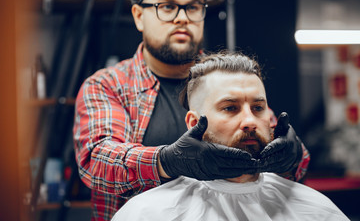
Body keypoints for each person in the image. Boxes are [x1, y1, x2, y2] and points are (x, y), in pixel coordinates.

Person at [73, 0, 310, 220]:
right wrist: (167, 162)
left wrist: (291, 155)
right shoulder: (108, 86)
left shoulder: (229, 78)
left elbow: (287, 157)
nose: (182, 18)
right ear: (138, 16)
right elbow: (96, 160)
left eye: (194, 7)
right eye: (167, 7)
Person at [111, 52, 348, 221]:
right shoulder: (148, 213)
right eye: (230, 108)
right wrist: (167, 160)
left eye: (258, 108)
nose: (250, 122)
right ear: (195, 124)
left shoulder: (312, 207)